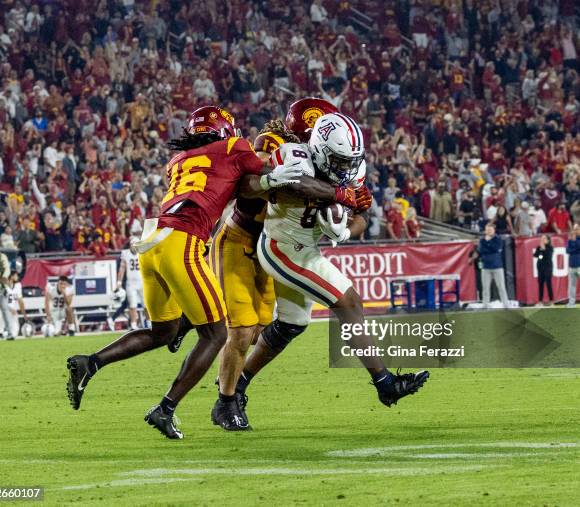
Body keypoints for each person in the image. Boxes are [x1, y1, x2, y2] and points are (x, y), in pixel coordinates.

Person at [65, 106, 350, 438]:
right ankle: (166, 409)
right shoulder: (235, 147)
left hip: (152, 237)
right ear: (224, 130)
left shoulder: (178, 161)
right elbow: (264, 180)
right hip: (183, 240)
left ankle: (91, 363)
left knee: (163, 333)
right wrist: (289, 182)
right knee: (216, 335)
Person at [235, 113, 429, 428]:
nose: (347, 168)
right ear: (321, 149)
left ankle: (235, 387)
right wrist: (340, 197)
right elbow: (299, 184)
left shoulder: (351, 169)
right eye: (339, 160)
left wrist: (346, 231)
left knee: (291, 324)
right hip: (282, 248)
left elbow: (363, 213)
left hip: (306, 249)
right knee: (349, 302)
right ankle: (385, 384)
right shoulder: (294, 155)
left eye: (350, 160)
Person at [210, 98, 343, 428]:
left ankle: (228, 376)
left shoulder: (320, 157)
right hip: (241, 239)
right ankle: (226, 404)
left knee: (257, 331)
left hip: (270, 246)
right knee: (241, 332)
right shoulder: (273, 144)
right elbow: (251, 189)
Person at [115, 237, 146, 330]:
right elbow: (122, 268)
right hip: (131, 283)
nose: (134, 246)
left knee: (146, 305)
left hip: (142, 282)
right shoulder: (125, 253)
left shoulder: (143, 252)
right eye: (133, 244)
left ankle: (149, 322)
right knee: (132, 305)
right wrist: (119, 282)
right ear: (130, 245)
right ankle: (133, 324)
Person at [478, 224, 510, 308]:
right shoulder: (482, 240)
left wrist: (488, 243)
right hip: (486, 267)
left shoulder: (498, 239)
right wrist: (488, 246)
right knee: (485, 288)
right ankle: (485, 304)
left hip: (497, 266)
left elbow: (496, 248)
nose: (488, 231)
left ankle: (505, 304)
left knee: (501, 287)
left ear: (494, 230)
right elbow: (481, 250)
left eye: (490, 230)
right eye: (487, 230)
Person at [4, 270, 27, 337]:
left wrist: (24, 314)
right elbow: (0, 302)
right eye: (16, 275)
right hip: (3, 310)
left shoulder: (18, 286)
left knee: (15, 332)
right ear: (11, 276)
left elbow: (20, 301)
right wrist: (10, 309)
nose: (17, 277)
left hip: (13, 311)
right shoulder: (4, 287)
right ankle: (0, 332)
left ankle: (6, 334)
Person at [533, 235, 554, 305]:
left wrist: (543, 249)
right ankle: (540, 301)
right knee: (540, 284)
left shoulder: (550, 247)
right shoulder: (539, 247)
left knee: (548, 284)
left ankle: (551, 300)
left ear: (548, 240)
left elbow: (548, 256)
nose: (542, 240)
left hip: (548, 267)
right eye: (541, 238)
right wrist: (541, 251)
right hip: (540, 267)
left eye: (544, 238)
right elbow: (536, 255)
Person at [567, 223, 580, 307]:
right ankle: (571, 303)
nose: (575, 231)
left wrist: (574, 242)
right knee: (572, 285)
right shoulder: (570, 240)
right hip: (572, 265)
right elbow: (568, 250)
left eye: (577, 229)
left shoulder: (574, 240)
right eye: (574, 229)